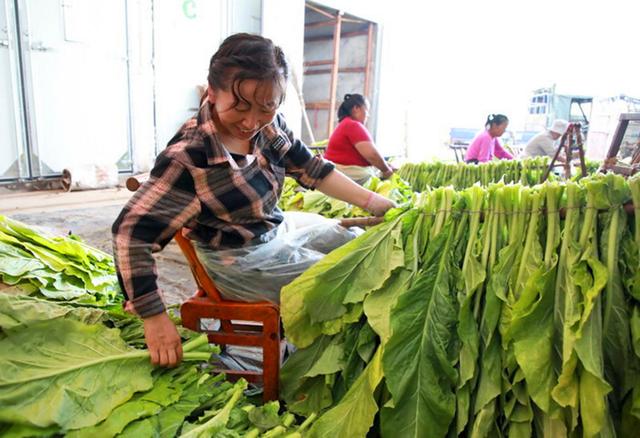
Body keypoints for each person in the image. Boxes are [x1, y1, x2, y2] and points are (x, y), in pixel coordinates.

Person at [111, 34, 395, 368]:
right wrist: (154, 317)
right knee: (344, 282)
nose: (251, 122)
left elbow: (312, 169)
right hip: (235, 260)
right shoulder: (190, 158)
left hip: (272, 230)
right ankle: (318, 367)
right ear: (212, 92)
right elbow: (129, 234)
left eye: (266, 107)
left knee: (355, 244)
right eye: (240, 106)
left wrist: (374, 201)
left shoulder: (269, 127)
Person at [323, 93, 395, 185]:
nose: (368, 115)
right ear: (356, 108)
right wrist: (387, 170)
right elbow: (372, 155)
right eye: (366, 110)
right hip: (345, 175)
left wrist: (385, 165)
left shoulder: (346, 124)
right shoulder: (352, 125)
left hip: (339, 174)